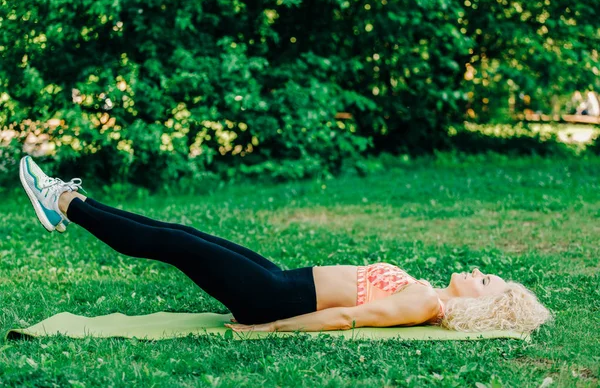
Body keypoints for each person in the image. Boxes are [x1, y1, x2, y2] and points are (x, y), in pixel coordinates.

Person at [18, 156, 551, 333]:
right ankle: (64, 199)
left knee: (170, 242)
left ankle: (62, 202)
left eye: (486, 282)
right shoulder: (429, 294)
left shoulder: (427, 302)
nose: (480, 270)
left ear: (484, 308)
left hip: (273, 297)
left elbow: (346, 320)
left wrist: (269, 328)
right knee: (180, 236)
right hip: (281, 279)